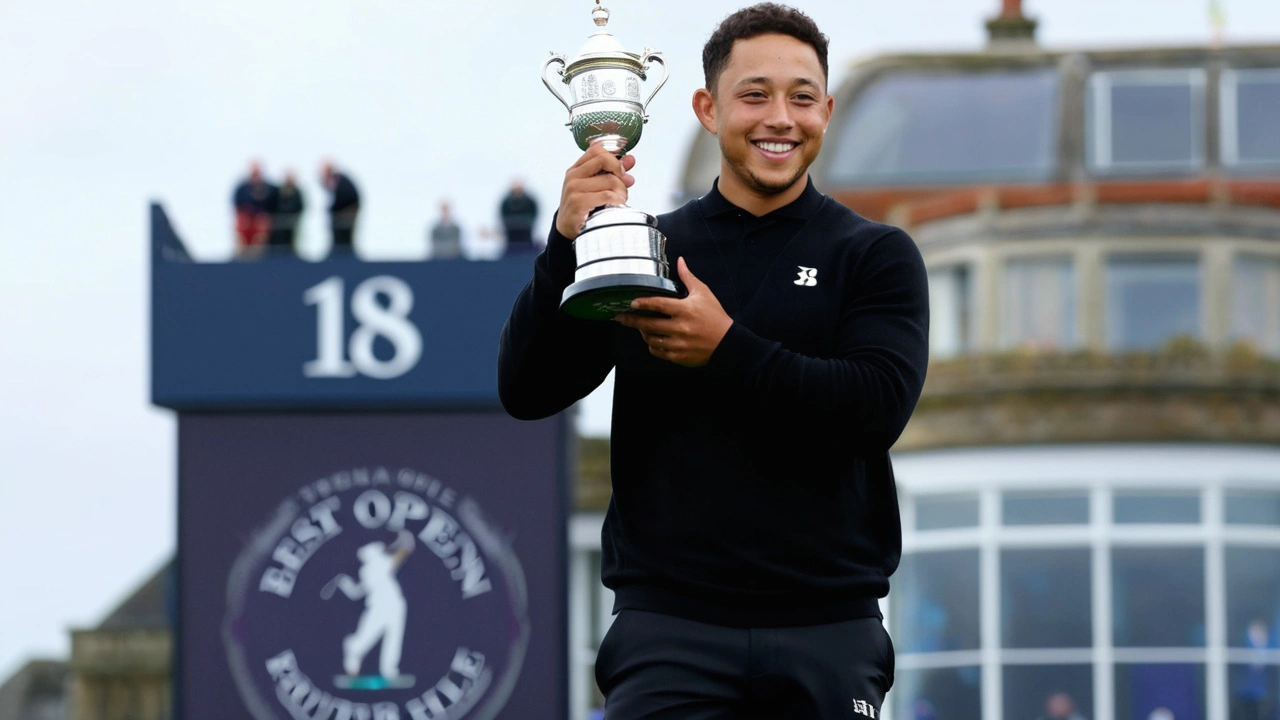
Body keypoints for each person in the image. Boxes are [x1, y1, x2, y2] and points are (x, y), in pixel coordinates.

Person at [498, 4, 929, 719]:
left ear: (827, 108)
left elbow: (874, 409)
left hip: (828, 627)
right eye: (754, 95)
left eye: (801, 97)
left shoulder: (873, 254)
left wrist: (725, 349)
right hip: (669, 629)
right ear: (707, 107)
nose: (780, 119)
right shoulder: (649, 248)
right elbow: (528, 389)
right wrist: (566, 244)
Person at [231, 160, 278, 257]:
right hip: (246, 219)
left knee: (262, 223)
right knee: (242, 222)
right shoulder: (242, 188)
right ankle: (240, 253)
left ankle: (256, 255)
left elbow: (273, 204)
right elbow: (237, 204)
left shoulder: (269, 188)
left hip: (261, 219)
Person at [320, 160, 360, 254]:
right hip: (344, 211)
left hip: (347, 212)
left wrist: (333, 209)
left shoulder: (338, 179)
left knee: (344, 234)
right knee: (339, 234)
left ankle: (344, 253)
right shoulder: (337, 179)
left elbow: (345, 197)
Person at [498, 179, 538, 254]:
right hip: (510, 239)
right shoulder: (506, 203)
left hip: (527, 237)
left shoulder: (530, 202)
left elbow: (533, 215)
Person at [269, 170, 305, 253]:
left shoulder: (297, 192)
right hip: (278, 225)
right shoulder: (278, 191)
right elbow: (273, 205)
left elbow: (300, 207)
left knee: (291, 244)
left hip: (292, 224)